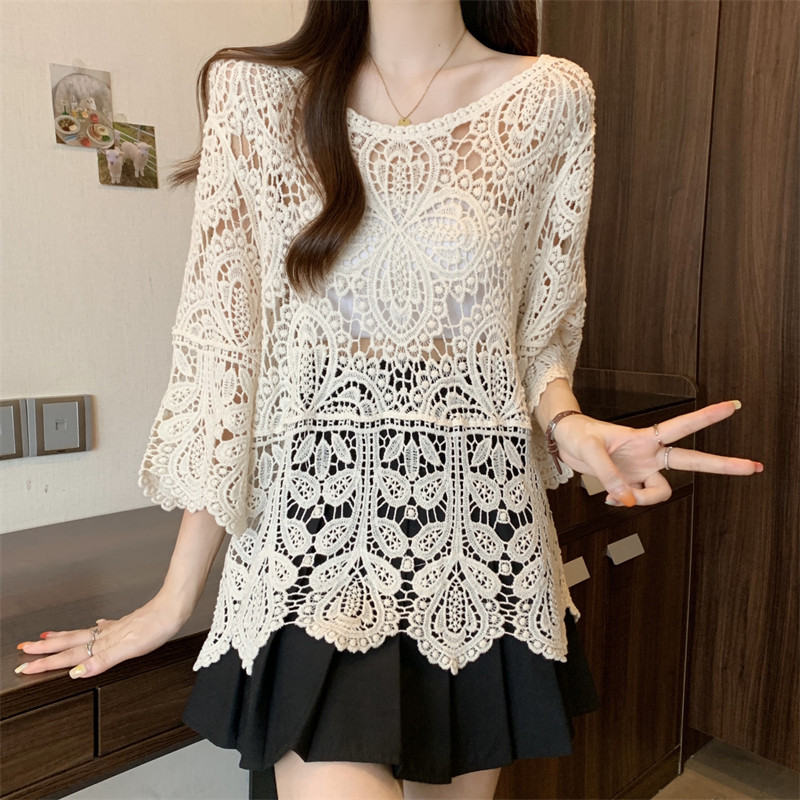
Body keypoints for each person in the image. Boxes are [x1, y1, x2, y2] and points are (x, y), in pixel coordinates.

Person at [14, 2, 763, 798]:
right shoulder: (253, 92)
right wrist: (176, 597)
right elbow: (226, 357)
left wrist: (569, 424)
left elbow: (537, 337)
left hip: (481, 544)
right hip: (311, 548)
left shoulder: (551, 97)